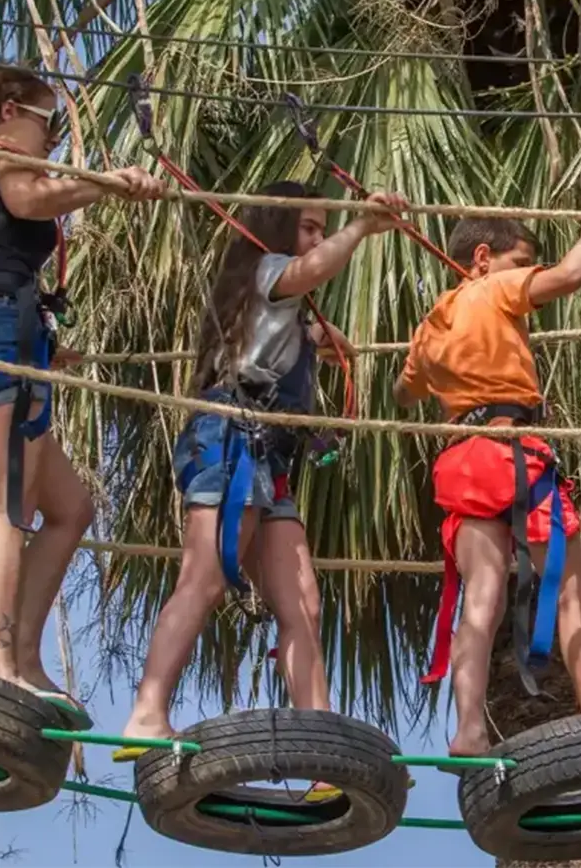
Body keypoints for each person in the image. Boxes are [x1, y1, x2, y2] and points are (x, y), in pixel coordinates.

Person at [113, 182, 408, 794]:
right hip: (231, 438)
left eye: (322, 228)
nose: (318, 238)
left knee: (303, 603)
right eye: (309, 227)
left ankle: (320, 745)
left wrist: (316, 340)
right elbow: (305, 272)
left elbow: (291, 324)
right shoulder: (271, 269)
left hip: (268, 451)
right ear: (276, 229)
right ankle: (147, 711)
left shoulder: (284, 304)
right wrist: (359, 227)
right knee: (205, 578)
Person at [0, 64, 164, 729]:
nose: (52, 139)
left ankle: (25, 658)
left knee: (69, 508)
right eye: (47, 122)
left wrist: (43, 343)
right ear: (9, 112)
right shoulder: (4, 150)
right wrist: (108, 185)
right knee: (6, 509)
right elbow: (29, 201)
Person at [393, 205, 581, 764]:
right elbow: (569, 276)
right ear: (483, 258)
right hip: (513, 451)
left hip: (461, 457)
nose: (527, 272)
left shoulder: (429, 325)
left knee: (481, 598)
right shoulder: (494, 287)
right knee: (573, 592)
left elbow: (404, 394)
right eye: (521, 261)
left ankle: (468, 730)